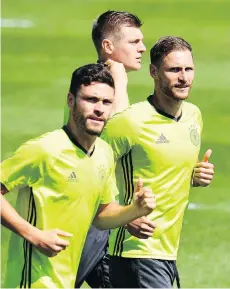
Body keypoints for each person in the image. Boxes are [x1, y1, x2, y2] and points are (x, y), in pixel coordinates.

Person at [0, 63, 156, 288]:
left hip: (67, 281)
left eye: (106, 102)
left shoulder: (103, 153)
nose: (99, 109)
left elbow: (102, 215)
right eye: (91, 100)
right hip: (31, 281)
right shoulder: (44, 149)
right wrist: (34, 235)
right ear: (71, 100)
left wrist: (134, 211)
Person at [101, 36, 214, 288]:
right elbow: (90, 170)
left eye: (188, 69)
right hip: (135, 252)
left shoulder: (193, 116)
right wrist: (124, 216)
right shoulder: (129, 122)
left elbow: (160, 165)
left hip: (167, 252)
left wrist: (192, 175)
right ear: (154, 72)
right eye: (174, 70)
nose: (183, 77)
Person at [74, 10, 148, 288]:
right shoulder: (102, 89)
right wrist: (123, 216)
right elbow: (104, 149)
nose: (142, 48)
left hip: (101, 216)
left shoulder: (111, 80)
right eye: (134, 41)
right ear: (108, 47)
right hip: (90, 221)